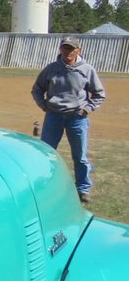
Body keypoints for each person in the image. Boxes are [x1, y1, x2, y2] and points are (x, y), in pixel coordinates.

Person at [31, 36, 106, 203]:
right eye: (65, 48)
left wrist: (86, 109)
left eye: (71, 49)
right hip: (53, 117)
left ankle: (83, 189)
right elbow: (37, 89)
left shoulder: (87, 70)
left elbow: (99, 94)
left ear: (78, 50)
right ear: (60, 49)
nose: (68, 52)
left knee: (80, 156)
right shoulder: (51, 69)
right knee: (47, 153)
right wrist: (44, 105)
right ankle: (45, 186)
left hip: (77, 118)